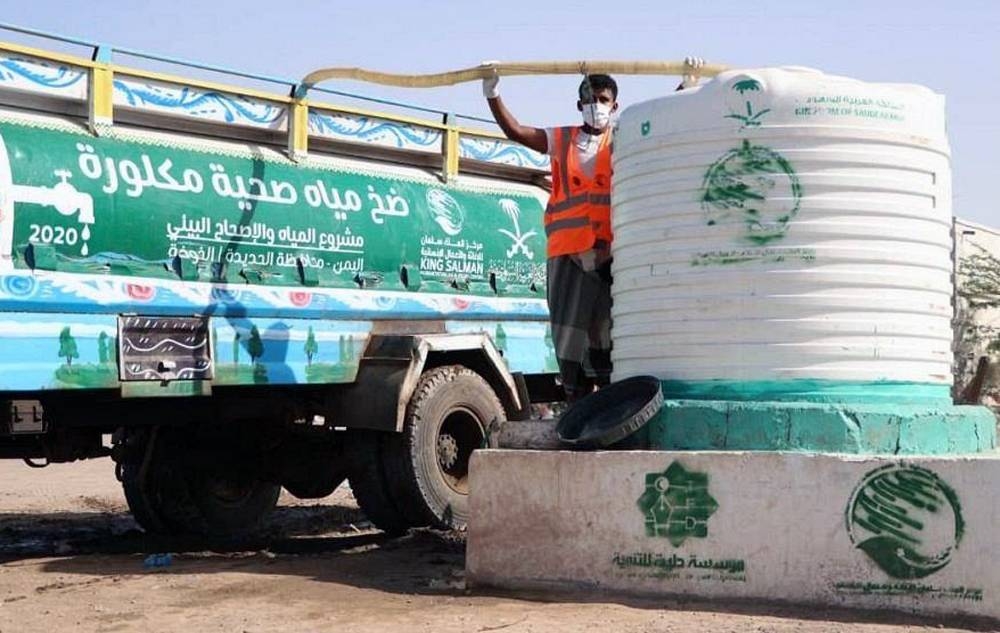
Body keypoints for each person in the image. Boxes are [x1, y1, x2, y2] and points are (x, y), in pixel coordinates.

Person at [483, 59, 704, 403]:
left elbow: (659, 122)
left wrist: (685, 86)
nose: (595, 106)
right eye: (589, 99)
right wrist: (493, 94)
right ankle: (575, 402)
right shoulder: (562, 139)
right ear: (578, 105)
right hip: (566, 253)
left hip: (608, 254)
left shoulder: (624, 139)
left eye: (602, 100)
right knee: (569, 337)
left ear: (614, 106)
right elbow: (517, 132)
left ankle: (608, 407)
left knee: (607, 335)